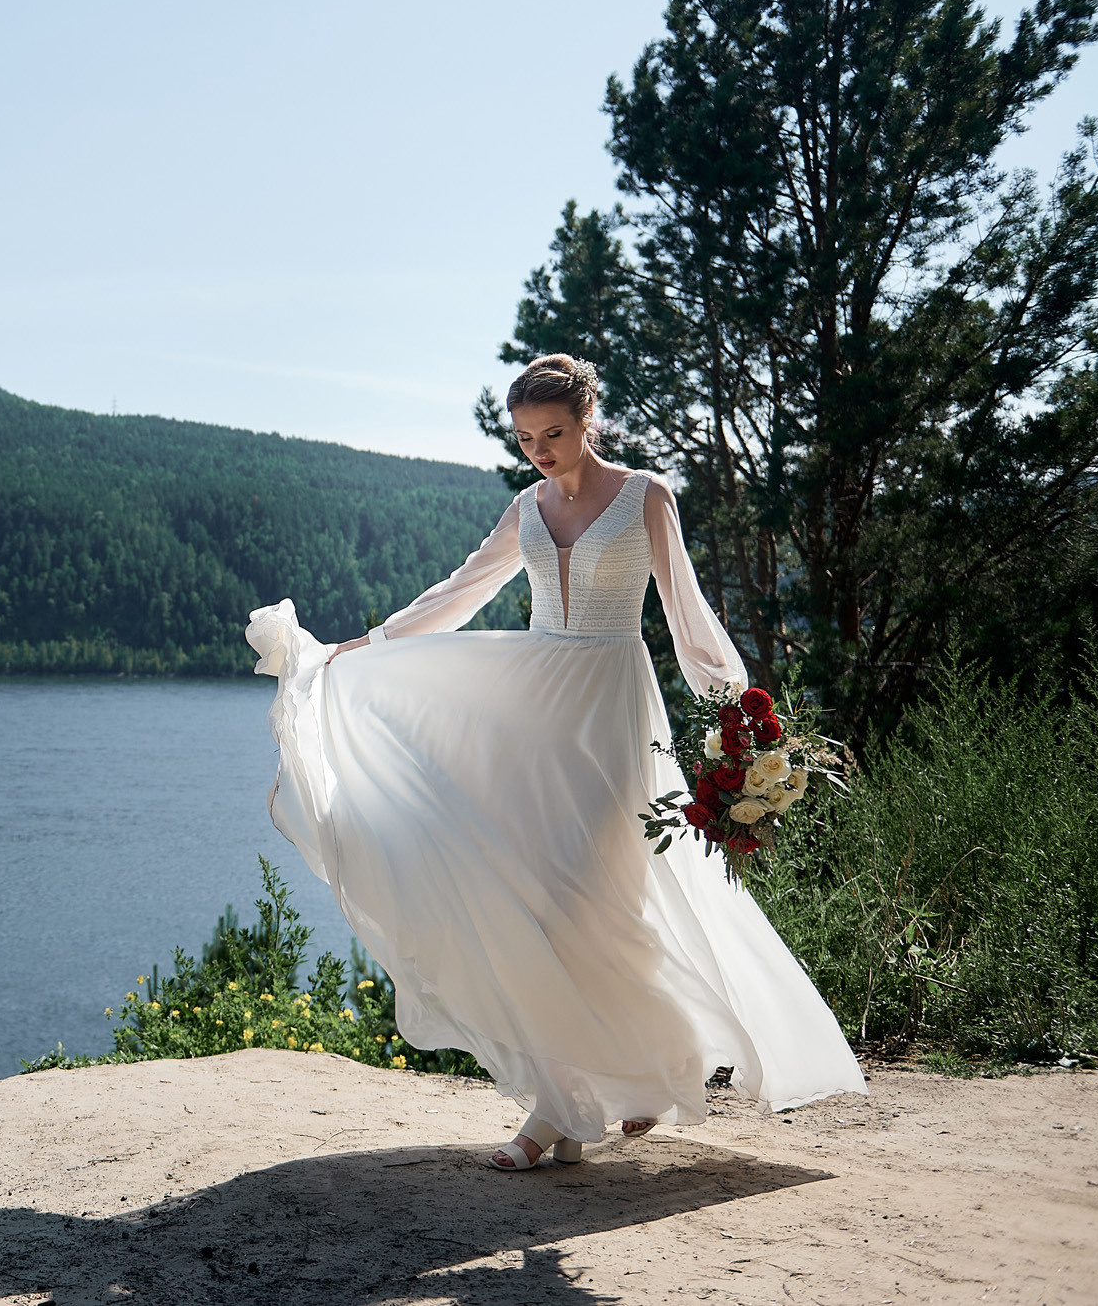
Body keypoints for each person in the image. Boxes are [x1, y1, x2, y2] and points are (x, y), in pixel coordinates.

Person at [243, 354, 864, 1171]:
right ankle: (570, 1108)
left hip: (612, 702)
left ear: (588, 421)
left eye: (555, 433)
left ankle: (624, 1079)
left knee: (598, 894)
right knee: (539, 905)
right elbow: (461, 593)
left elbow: (684, 604)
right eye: (527, 437)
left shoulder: (646, 496)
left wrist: (736, 712)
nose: (540, 449)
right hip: (534, 710)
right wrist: (369, 646)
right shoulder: (526, 507)